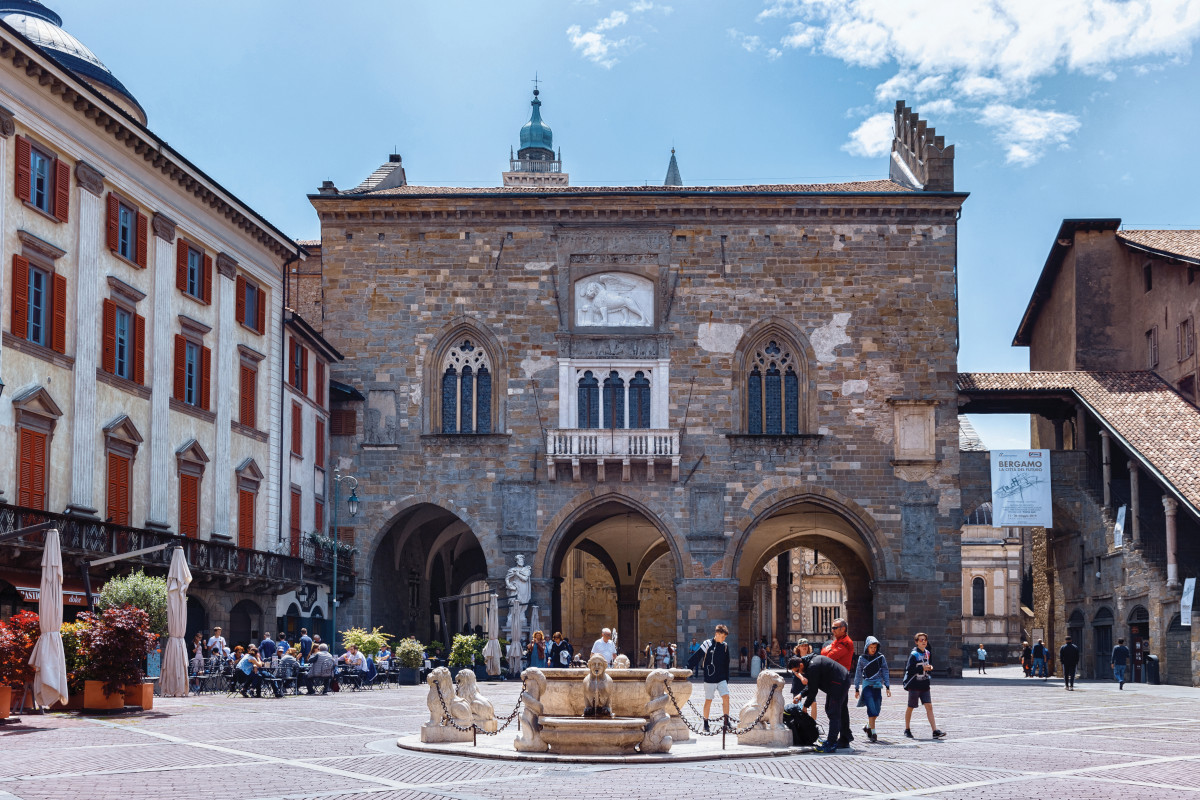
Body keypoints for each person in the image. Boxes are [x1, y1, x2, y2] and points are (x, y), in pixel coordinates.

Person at [790, 653, 849, 753]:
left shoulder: (812, 666)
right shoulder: (809, 664)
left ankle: (831, 743)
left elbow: (813, 690)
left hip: (839, 682)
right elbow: (812, 684)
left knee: (833, 712)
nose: (797, 673)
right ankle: (844, 738)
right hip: (839, 680)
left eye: (796, 671)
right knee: (837, 710)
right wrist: (801, 694)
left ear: (800, 665)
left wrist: (805, 706)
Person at [688, 624, 731, 733]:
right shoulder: (707, 644)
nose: (724, 639)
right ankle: (706, 723)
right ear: (717, 634)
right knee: (708, 700)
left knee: (726, 697)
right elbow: (697, 657)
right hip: (710, 678)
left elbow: (727, 663)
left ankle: (726, 721)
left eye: (725, 637)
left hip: (721, 678)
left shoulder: (725, 646)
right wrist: (688, 668)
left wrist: (726, 679)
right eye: (723, 636)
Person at [902, 632, 945, 740]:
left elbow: (927, 665)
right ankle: (907, 729)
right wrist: (922, 669)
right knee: (911, 707)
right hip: (914, 685)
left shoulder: (927, 653)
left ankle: (935, 731)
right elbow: (909, 670)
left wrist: (930, 667)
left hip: (924, 683)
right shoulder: (914, 655)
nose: (924, 642)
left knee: (929, 706)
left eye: (925, 640)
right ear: (916, 642)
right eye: (921, 640)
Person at [821, 618, 855, 748]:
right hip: (835, 680)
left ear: (843, 629)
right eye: (832, 627)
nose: (832, 630)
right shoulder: (838, 641)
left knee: (836, 709)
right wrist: (828, 649)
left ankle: (839, 738)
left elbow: (829, 656)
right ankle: (845, 735)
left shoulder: (846, 642)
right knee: (840, 708)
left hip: (840, 680)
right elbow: (824, 652)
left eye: (835, 628)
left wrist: (828, 649)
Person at [853, 635, 891, 743]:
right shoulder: (862, 658)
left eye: (875, 647)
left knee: (877, 709)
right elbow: (858, 673)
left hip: (877, 686)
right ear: (867, 647)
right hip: (866, 686)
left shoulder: (881, 658)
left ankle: (868, 726)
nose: (873, 650)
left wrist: (887, 686)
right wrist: (856, 688)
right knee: (871, 708)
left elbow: (885, 671)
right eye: (871, 647)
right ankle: (873, 733)